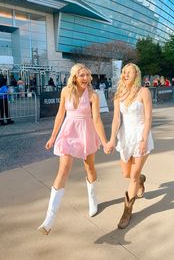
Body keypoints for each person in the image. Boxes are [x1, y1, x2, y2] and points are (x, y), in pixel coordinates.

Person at [38, 63, 107, 235]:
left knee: (89, 167)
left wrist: (104, 142)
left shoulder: (94, 95)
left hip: (86, 131)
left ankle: (92, 198)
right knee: (63, 170)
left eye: (88, 75)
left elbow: (97, 120)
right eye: (82, 75)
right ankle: (49, 219)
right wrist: (53, 137)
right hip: (68, 132)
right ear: (75, 77)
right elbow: (60, 114)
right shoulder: (66, 92)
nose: (86, 78)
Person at [106, 63, 154, 229]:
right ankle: (141, 179)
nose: (125, 74)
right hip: (125, 137)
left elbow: (148, 118)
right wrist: (112, 139)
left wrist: (144, 139)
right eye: (124, 72)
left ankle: (127, 212)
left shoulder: (144, 92)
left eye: (129, 72)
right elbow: (116, 120)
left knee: (132, 177)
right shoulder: (119, 94)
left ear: (136, 75)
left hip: (141, 135)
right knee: (127, 173)